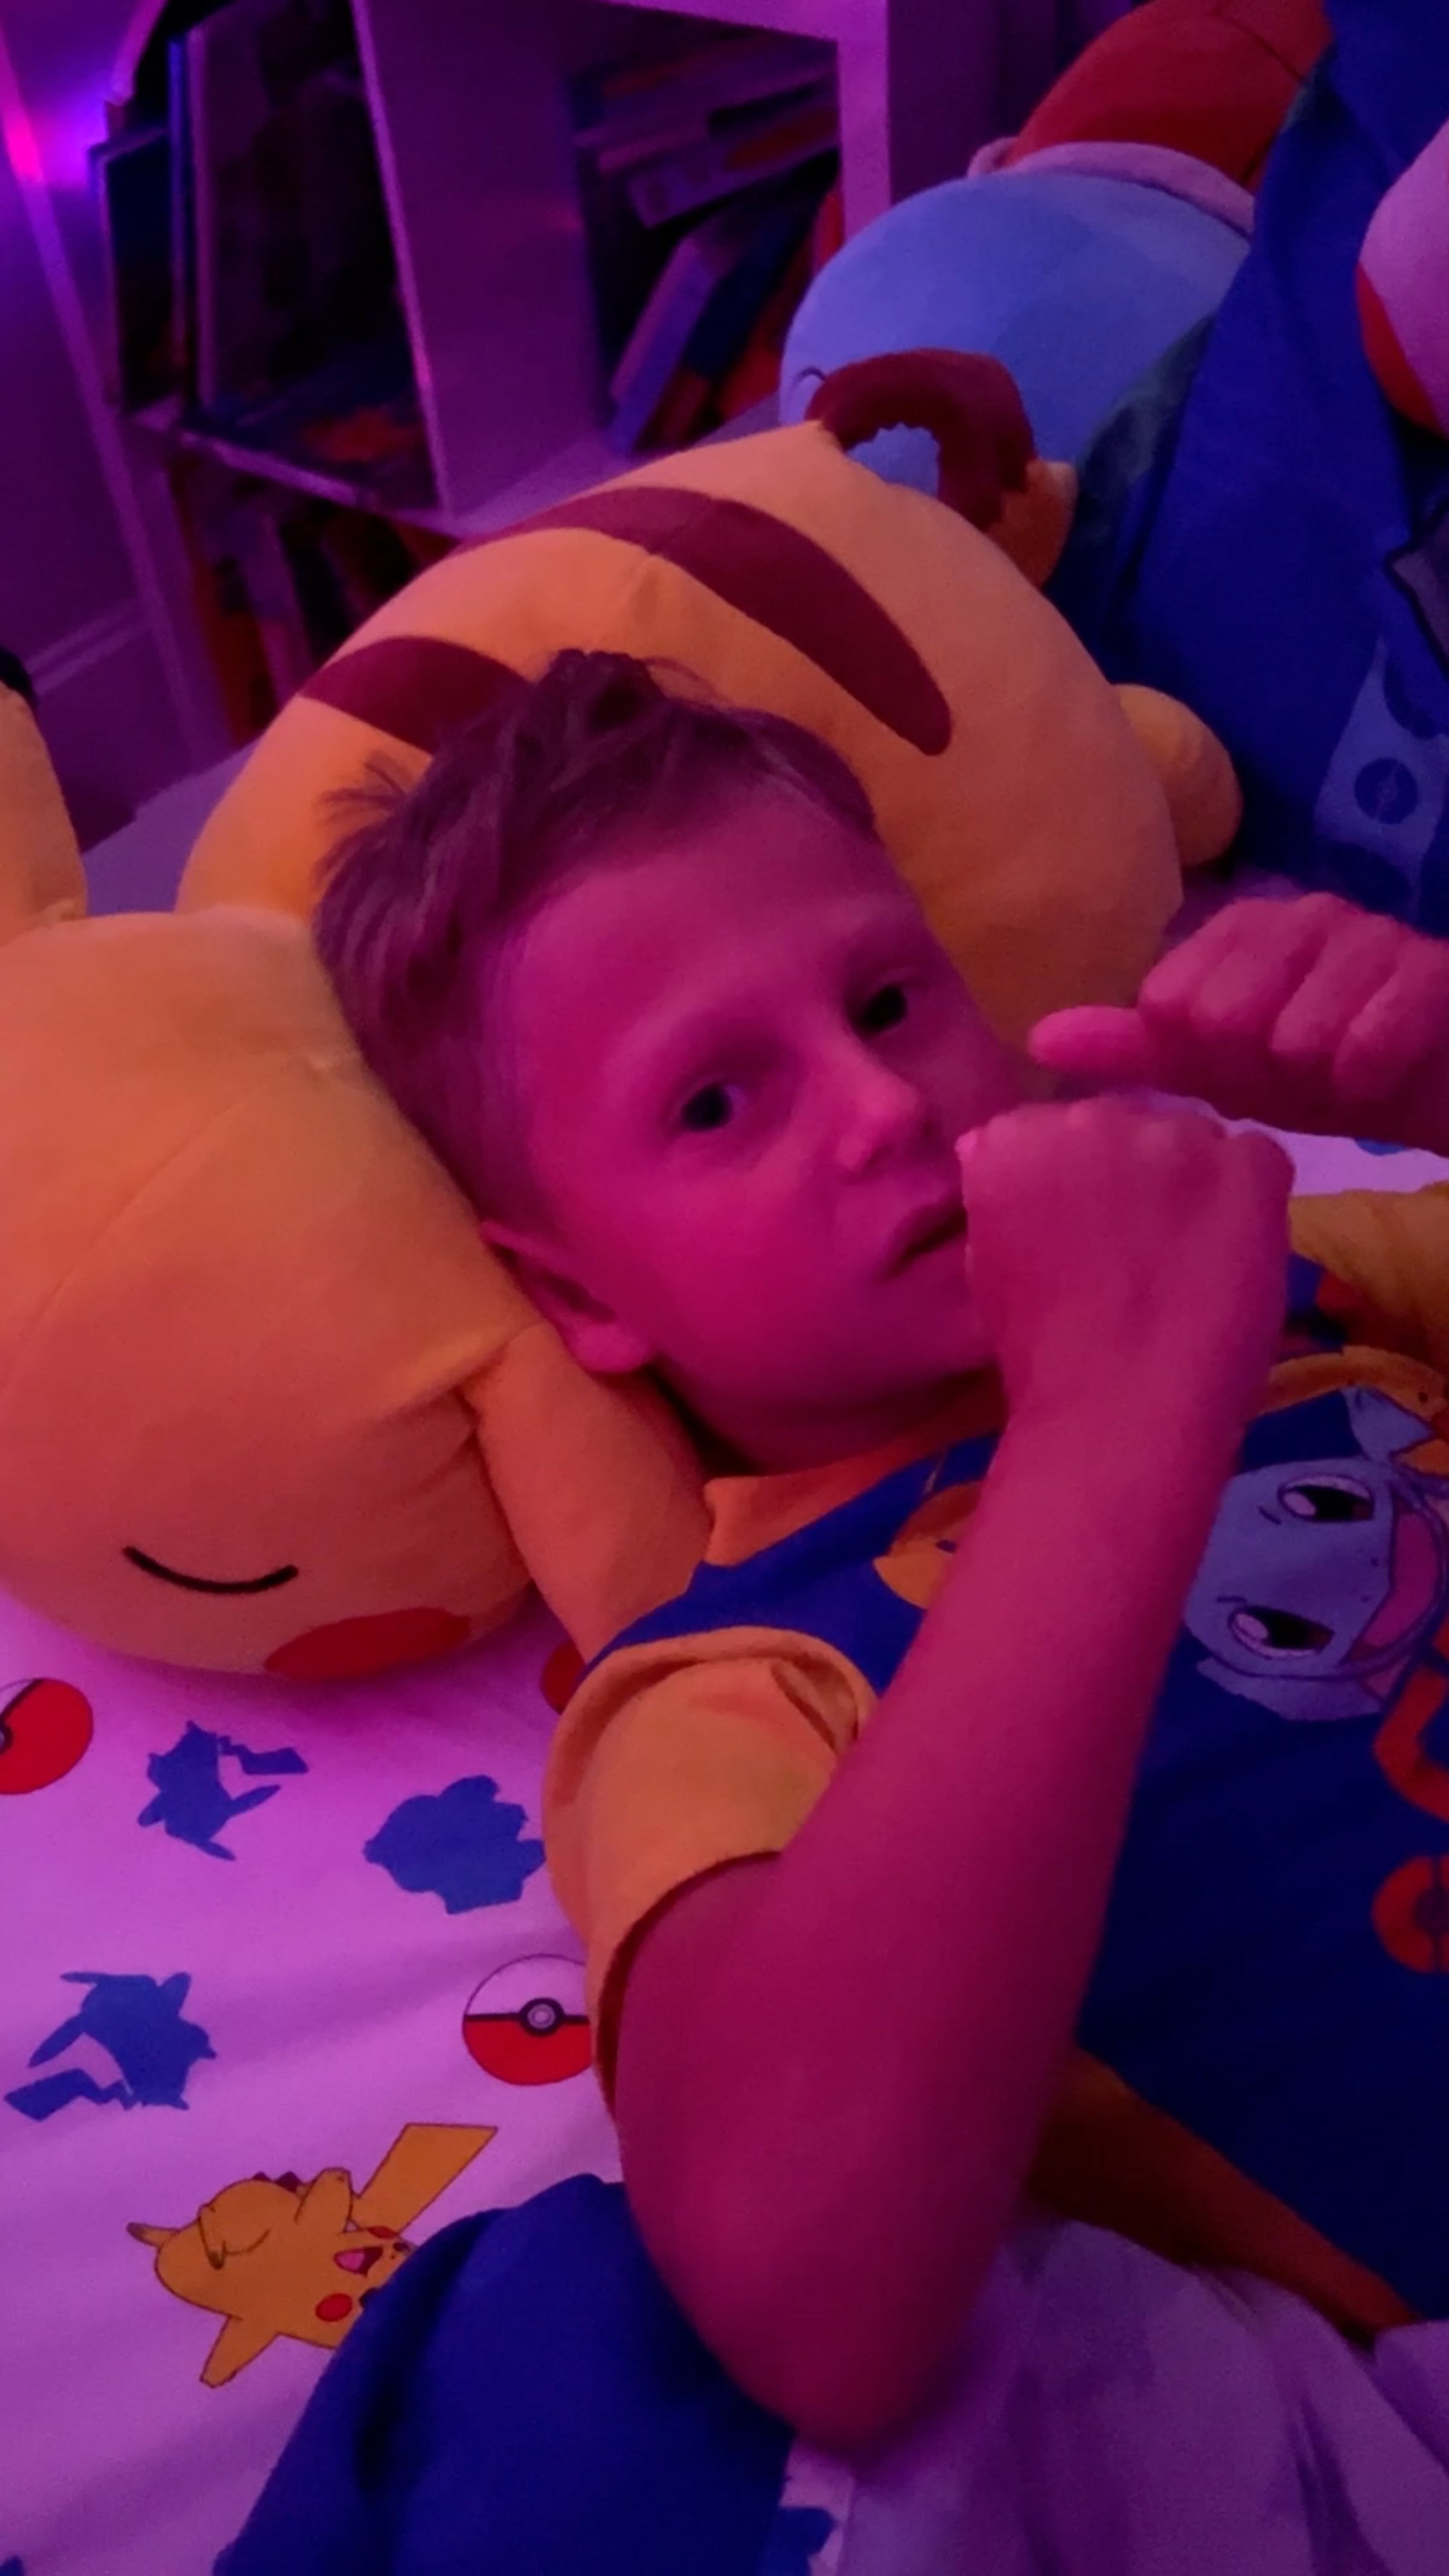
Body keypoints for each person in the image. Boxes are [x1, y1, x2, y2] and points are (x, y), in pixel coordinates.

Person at [315, 647, 1449, 2456]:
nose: (881, 1105)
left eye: (891, 997)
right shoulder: (730, 1689)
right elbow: (804, 2296)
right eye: (715, 1102)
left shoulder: (1303, 1278)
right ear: (579, 1295)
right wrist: (1110, 1418)